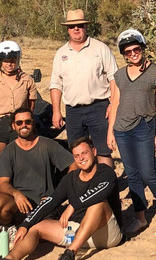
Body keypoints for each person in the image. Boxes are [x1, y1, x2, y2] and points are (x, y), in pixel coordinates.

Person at [0, 136, 122, 260]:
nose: (81, 158)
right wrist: (26, 224)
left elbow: (100, 191)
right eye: (77, 156)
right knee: (37, 227)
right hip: (77, 232)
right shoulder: (70, 178)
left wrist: (72, 206)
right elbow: (51, 201)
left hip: (106, 233)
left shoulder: (106, 172)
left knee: (98, 204)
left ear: (94, 152)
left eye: (84, 153)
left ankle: (69, 254)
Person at [107, 29, 156, 233]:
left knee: (148, 173)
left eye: (136, 49)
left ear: (143, 48)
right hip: (122, 129)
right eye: (128, 52)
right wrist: (110, 132)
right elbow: (115, 102)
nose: (133, 54)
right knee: (132, 174)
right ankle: (140, 217)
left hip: (145, 127)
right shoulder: (119, 75)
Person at [48, 10, 118, 167]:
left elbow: (114, 77)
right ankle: (86, 188)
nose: (76, 29)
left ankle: (108, 187)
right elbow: (56, 84)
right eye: (72, 26)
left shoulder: (100, 48)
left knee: (103, 151)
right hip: (73, 111)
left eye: (80, 25)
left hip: (99, 108)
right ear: (67, 29)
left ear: (86, 27)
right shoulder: (61, 54)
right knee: (78, 152)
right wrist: (56, 111)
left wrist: (113, 104)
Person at [0, 107, 76, 227]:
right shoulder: (8, 151)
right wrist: (16, 194)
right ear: (14, 126)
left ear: (33, 123)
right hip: (19, 203)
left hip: (45, 203)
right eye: (19, 123)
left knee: (38, 233)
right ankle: (12, 225)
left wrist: (58, 194)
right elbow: (2, 183)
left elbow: (73, 164)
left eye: (27, 122)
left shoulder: (47, 144)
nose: (24, 125)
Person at [0, 40, 38, 203]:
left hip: (20, 126)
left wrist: (20, 122)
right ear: (0, 62)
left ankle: (18, 205)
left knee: (19, 169)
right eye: (5, 60)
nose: (9, 64)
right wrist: (3, 117)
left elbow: (31, 105)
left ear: (18, 59)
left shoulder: (27, 80)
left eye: (12, 59)